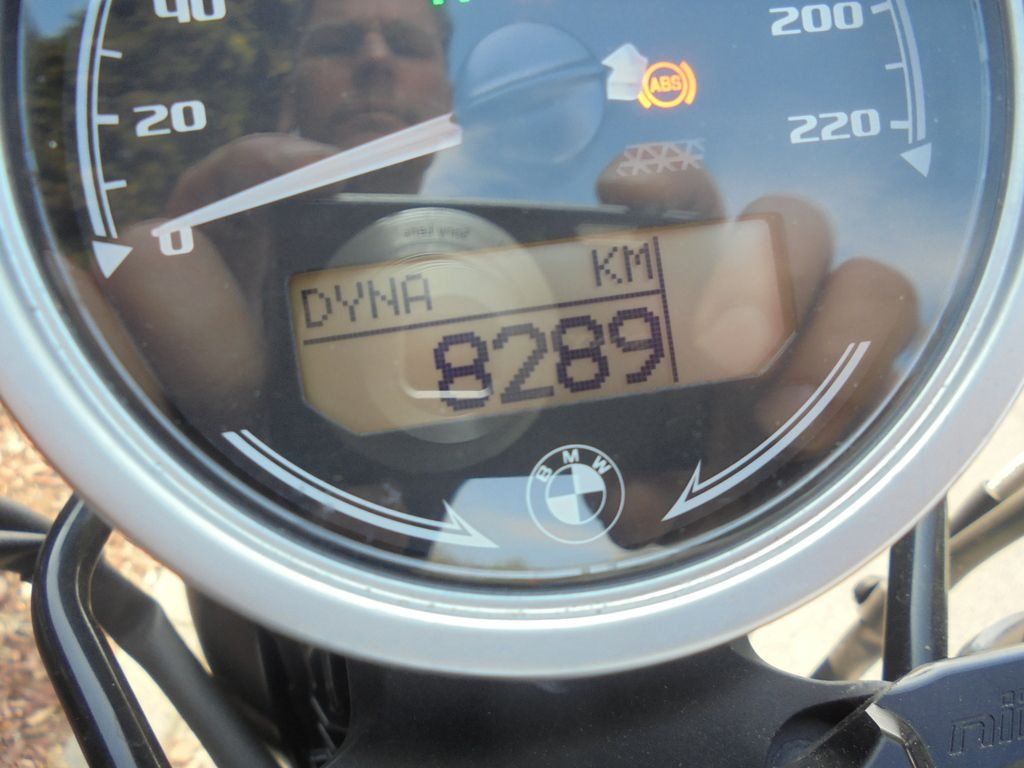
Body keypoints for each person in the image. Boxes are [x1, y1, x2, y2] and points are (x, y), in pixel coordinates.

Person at [97, 0, 916, 552]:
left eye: (406, 44)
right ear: (287, 98)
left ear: (451, 101)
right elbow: (252, 683)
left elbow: (662, 527)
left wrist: (745, 504)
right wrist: (170, 462)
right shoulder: (201, 251)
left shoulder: (641, 252)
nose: (374, 60)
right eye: (338, 43)